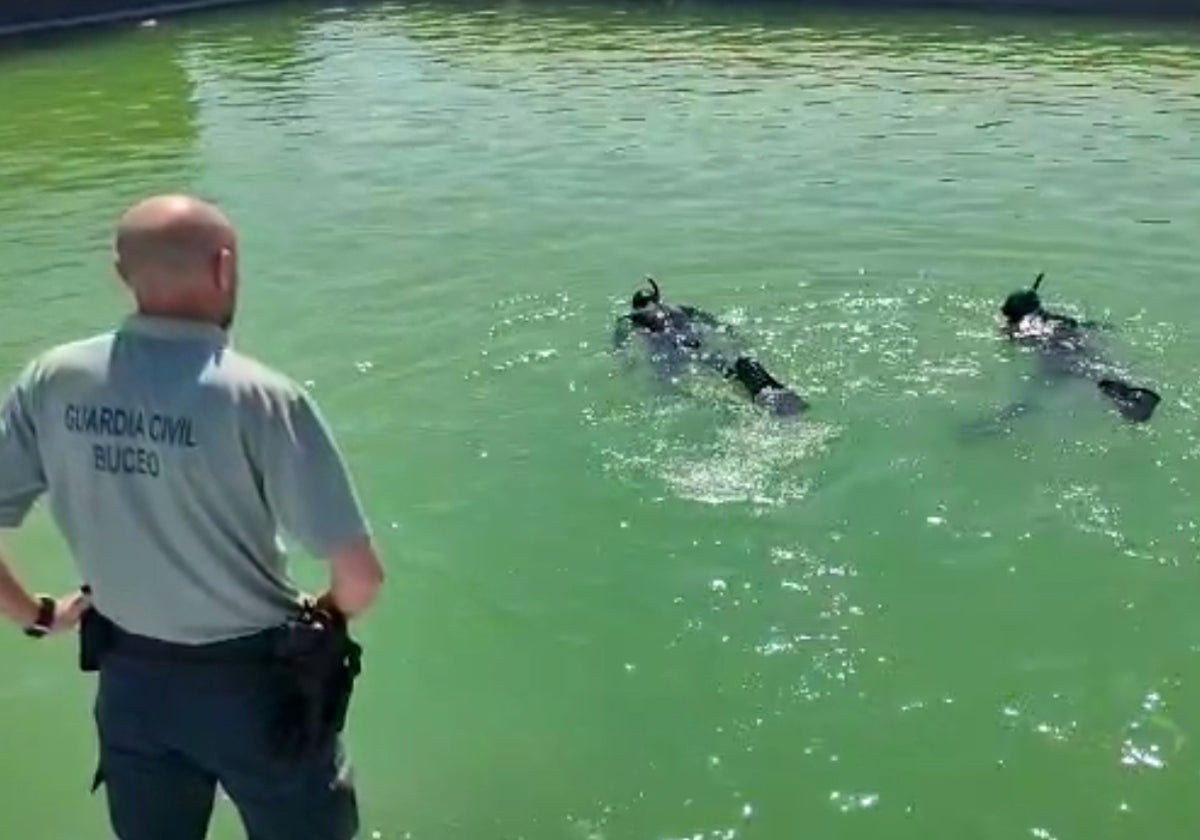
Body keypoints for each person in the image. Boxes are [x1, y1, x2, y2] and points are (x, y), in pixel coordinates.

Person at [0, 193, 384, 840]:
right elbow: (360, 578)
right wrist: (326, 617)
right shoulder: (260, 397)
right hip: (258, 687)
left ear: (121, 273)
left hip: (132, 687)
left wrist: (39, 614)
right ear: (225, 267)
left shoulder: (51, 380)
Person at [612, 276, 808, 417]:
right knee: (719, 364)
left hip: (668, 347)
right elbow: (714, 322)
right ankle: (755, 384)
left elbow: (620, 344)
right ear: (657, 300)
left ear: (635, 306)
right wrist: (734, 335)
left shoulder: (631, 318)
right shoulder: (680, 308)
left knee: (665, 386)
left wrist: (625, 359)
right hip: (695, 341)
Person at [993, 271, 1160, 424]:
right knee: (1093, 367)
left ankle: (1017, 413)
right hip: (1076, 342)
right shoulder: (1058, 319)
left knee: (1040, 387)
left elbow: (1011, 336)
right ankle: (1127, 393)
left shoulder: (1022, 326)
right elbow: (1080, 325)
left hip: (1054, 352)